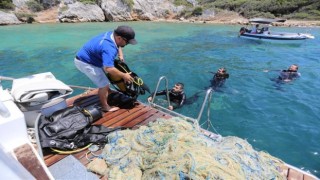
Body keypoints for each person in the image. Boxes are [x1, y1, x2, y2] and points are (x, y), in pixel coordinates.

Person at [74, 25, 137, 112]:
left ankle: (108, 92)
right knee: (104, 84)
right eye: (127, 42)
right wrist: (124, 75)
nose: (127, 44)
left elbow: (118, 44)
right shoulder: (109, 48)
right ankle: (105, 106)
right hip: (85, 63)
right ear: (119, 38)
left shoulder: (112, 34)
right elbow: (108, 68)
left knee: (106, 79)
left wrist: (120, 55)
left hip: (89, 58)